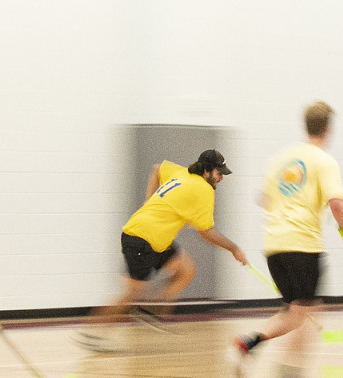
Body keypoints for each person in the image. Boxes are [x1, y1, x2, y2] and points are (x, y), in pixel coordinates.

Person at [234, 102, 343, 378]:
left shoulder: (280, 159)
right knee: (306, 311)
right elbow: (337, 204)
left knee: (297, 310)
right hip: (303, 245)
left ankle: (283, 375)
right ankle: (266, 357)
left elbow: (263, 198)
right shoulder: (324, 161)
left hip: (275, 245)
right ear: (328, 129)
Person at [77, 150, 247, 352]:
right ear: (207, 171)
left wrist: (148, 201)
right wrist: (233, 249)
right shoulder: (204, 190)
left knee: (186, 269)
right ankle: (92, 333)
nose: (221, 178)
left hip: (156, 240)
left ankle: (149, 308)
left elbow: (157, 168)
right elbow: (206, 232)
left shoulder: (183, 172)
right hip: (141, 240)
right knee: (129, 296)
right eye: (219, 173)